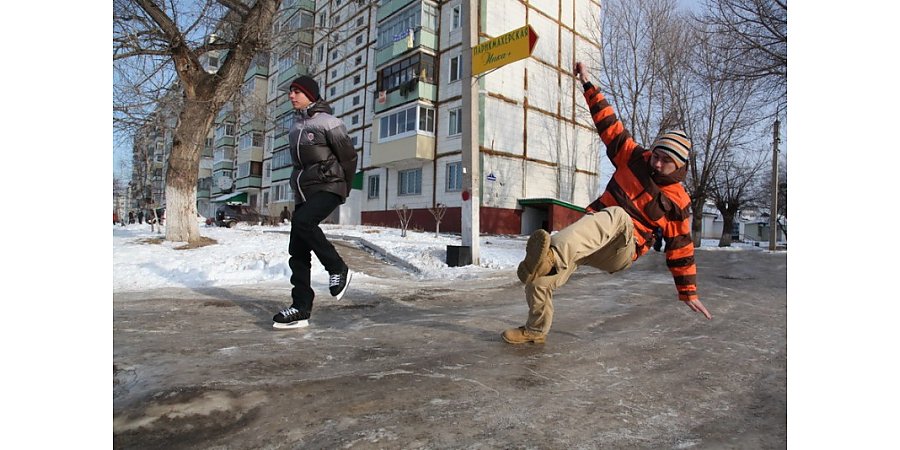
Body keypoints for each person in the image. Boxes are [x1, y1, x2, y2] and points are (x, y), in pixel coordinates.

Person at [502, 61, 712, 345]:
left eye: (665, 161)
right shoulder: (634, 157)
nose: (656, 163)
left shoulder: (678, 201)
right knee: (540, 279)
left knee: (617, 215)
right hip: (594, 235)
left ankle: (552, 254)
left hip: (621, 250)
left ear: (679, 166)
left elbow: (681, 248)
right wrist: (587, 83)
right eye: (656, 155)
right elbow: (608, 124)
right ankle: (535, 329)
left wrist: (688, 292)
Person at [272, 76, 358, 330]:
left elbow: (349, 158)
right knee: (297, 251)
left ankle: (337, 267)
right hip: (304, 192)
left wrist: (344, 188)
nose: (291, 96)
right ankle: (300, 307)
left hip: (329, 186)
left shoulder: (329, 123)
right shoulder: (295, 128)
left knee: (302, 222)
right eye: (290, 91)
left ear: (310, 94)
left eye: (297, 91)